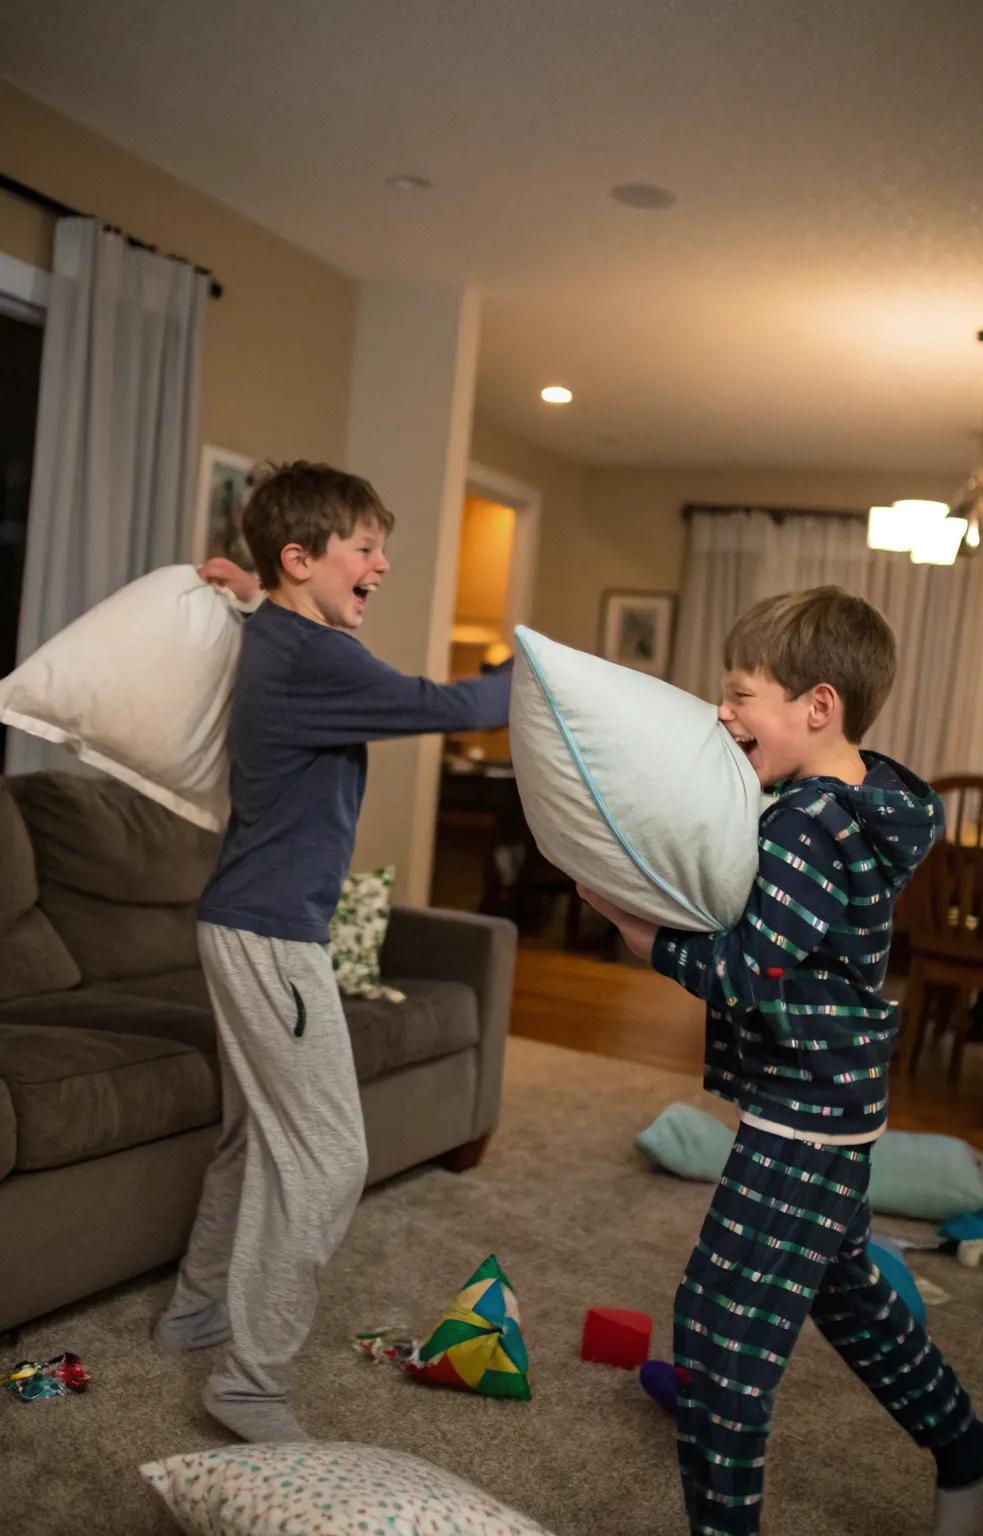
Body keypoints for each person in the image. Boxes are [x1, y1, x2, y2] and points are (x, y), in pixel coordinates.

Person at [579, 587, 983, 1536]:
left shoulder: (809, 825)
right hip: (830, 1095)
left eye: (741, 696)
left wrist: (630, 925)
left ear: (817, 707)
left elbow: (741, 970)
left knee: (718, 1339)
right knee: (846, 1292)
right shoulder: (858, 802)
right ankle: (971, 1451)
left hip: (804, 1120)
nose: (723, 713)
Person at [155, 461, 512, 1444]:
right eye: (364, 546)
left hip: (239, 920)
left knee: (251, 1134)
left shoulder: (275, 634)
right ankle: (250, 1384)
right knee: (326, 1158)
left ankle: (195, 1311)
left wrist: (241, 588)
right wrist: (534, 673)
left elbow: (254, 613)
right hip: (272, 938)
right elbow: (457, 710)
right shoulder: (314, 657)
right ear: (300, 559)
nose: (383, 564)